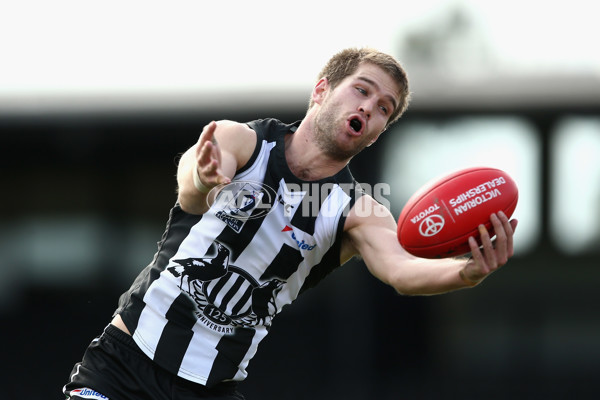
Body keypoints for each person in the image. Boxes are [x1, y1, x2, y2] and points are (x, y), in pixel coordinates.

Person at [63, 47, 517, 400]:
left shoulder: (357, 209)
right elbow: (190, 187)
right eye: (362, 89)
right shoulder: (240, 141)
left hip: (208, 388)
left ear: (379, 131)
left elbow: (400, 271)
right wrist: (203, 176)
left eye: (384, 108)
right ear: (321, 90)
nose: (370, 107)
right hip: (123, 363)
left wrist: (465, 272)